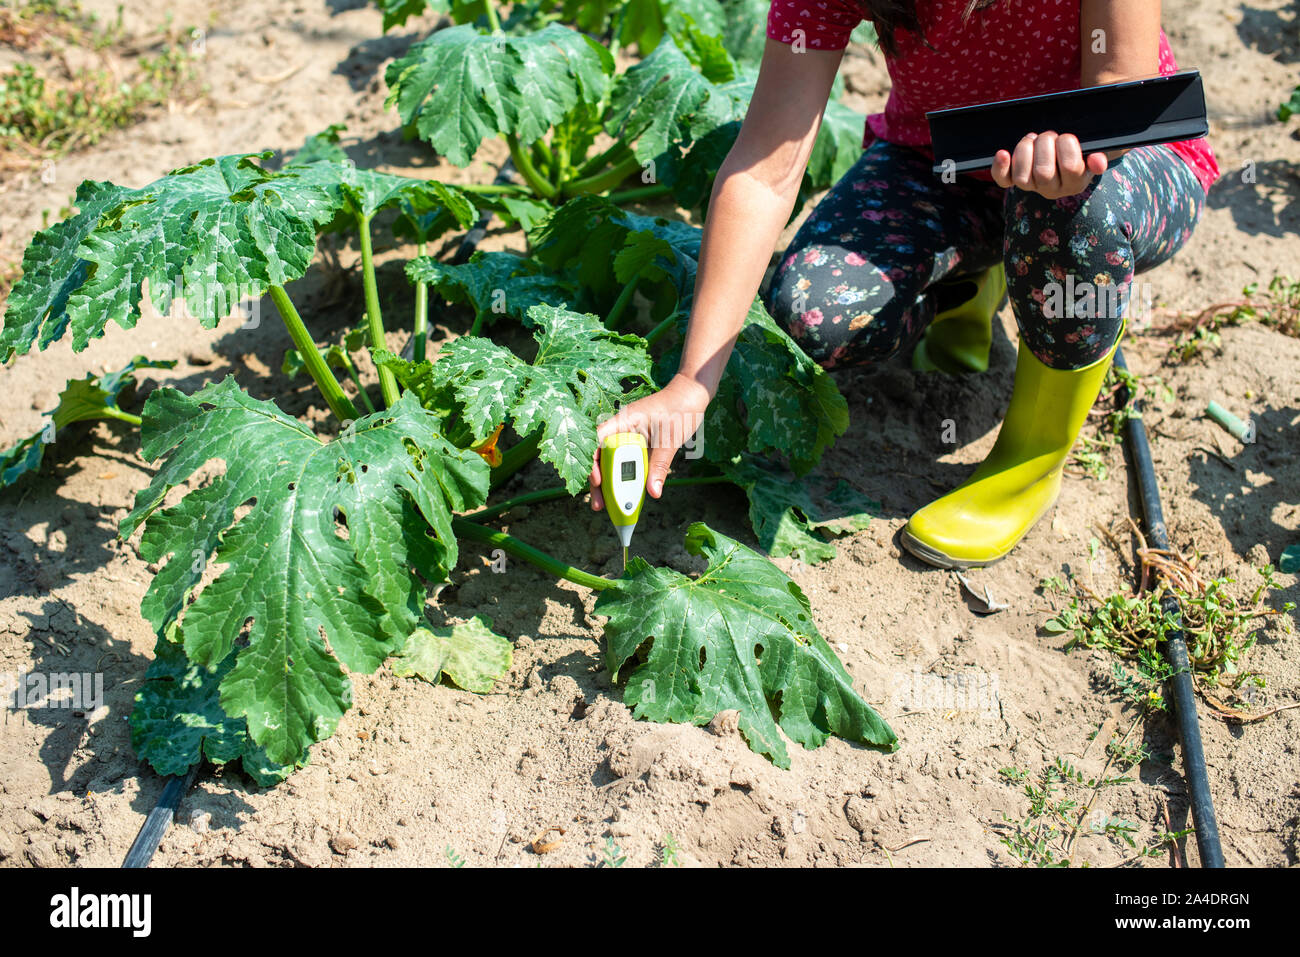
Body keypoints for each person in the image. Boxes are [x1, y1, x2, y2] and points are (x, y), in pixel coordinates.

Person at [588, 0, 1217, 568]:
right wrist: (689, 386)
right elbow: (764, 172)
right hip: (946, 161)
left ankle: (1030, 460)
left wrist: (1068, 161)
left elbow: (1120, 91)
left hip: (1118, 161)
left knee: (1072, 217)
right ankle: (978, 284)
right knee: (819, 311)